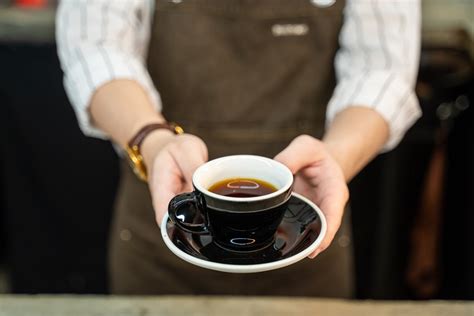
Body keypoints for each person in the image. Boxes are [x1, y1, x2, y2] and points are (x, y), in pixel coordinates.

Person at [56, 0, 421, 297]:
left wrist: (335, 158)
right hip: (162, 231)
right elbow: (94, 44)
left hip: (306, 244)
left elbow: (383, 70)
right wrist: (153, 140)